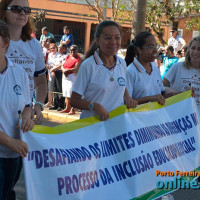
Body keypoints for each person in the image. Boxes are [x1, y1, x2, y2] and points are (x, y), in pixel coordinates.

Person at [71, 20, 137, 120]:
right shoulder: (88, 65)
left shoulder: (122, 63)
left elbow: (120, 83)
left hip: (116, 126)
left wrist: (127, 97)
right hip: (93, 127)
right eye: (107, 38)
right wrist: (94, 106)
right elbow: (74, 101)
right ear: (97, 40)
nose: (113, 42)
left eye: (117, 38)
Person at [0, 20, 35, 200]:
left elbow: (26, 105)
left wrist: (28, 118)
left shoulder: (19, 72)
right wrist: (8, 142)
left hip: (15, 155)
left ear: (5, 42)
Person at [0, 0, 47, 124]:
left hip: (25, 117)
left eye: (26, 10)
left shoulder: (34, 45)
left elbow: (41, 82)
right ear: (4, 11)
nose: (22, 13)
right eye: (16, 9)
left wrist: (38, 105)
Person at [125, 32, 166, 105]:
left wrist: (180, 94)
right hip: (139, 116)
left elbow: (162, 91)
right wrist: (150, 98)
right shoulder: (130, 72)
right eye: (150, 47)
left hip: (157, 114)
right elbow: (128, 102)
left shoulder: (155, 69)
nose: (155, 51)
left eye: (156, 46)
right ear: (139, 50)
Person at [163, 36, 200, 113]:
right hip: (177, 116)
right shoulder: (178, 67)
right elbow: (161, 86)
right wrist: (176, 93)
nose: (195, 52)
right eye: (193, 48)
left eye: (199, 49)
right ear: (189, 50)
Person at [61, 45, 81, 114]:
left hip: (72, 76)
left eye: (74, 50)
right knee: (66, 92)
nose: (72, 51)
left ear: (77, 51)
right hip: (65, 76)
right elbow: (62, 65)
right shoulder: (68, 56)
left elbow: (76, 67)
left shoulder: (78, 58)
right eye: (71, 50)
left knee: (71, 92)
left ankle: (72, 109)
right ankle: (67, 107)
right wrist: (64, 70)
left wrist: (67, 71)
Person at [45, 43, 59, 108]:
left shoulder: (58, 55)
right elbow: (47, 62)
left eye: (54, 48)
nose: (53, 49)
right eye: (51, 48)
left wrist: (52, 67)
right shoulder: (49, 55)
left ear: (56, 48)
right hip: (50, 72)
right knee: (50, 87)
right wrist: (47, 66)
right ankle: (49, 102)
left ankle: (56, 103)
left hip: (56, 72)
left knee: (56, 88)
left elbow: (58, 63)